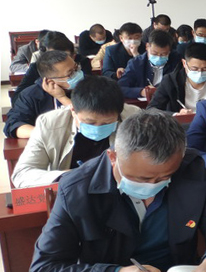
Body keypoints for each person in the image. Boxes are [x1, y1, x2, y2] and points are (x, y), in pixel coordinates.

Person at [26, 110, 206, 272]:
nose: (153, 186)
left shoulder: (190, 169)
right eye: (141, 178)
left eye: (164, 178)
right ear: (113, 157)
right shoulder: (76, 190)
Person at [12, 76, 140, 188]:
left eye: (107, 123)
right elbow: (22, 174)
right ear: (73, 110)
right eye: (90, 123)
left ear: (119, 113)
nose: (98, 127)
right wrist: (69, 176)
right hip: (72, 190)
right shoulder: (49, 124)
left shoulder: (134, 119)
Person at [4, 50, 84, 139]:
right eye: (71, 73)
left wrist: (62, 98)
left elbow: (88, 119)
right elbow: (13, 125)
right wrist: (45, 133)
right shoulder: (31, 95)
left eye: (76, 68)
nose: (77, 73)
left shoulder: (88, 85)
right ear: (50, 81)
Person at [147, 42, 206, 114]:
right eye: (194, 69)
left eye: (205, 69)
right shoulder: (170, 81)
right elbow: (151, 110)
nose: (200, 73)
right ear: (184, 63)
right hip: (181, 125)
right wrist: (175, 115)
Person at [12, 32, 93, 103]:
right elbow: (17, 99)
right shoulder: (37, 67)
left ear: (73, 55)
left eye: (65, 56)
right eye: (53, 57)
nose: (60, 60)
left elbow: (90, 92)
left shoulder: (82, 61)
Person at [118, 29, 181, 99]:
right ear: (147, 46)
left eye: (163, 54)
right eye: (154, 53)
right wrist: (141, 92)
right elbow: (120, 88)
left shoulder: (176, 61)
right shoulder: (136, 63)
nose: (159, 57)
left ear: (169, 51)